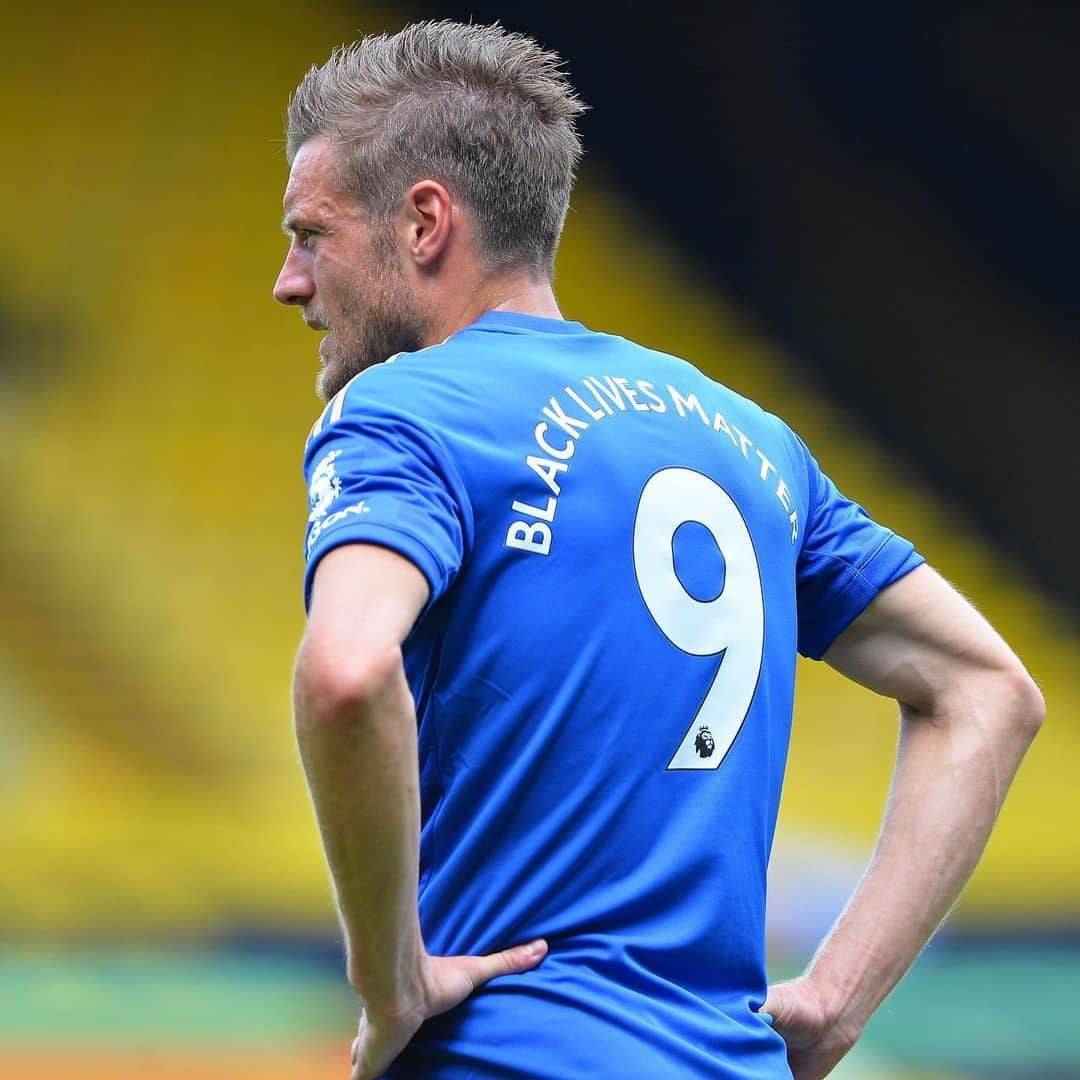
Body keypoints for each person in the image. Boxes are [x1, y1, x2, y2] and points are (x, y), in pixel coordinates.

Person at [274, 21, 1044, 1080]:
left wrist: (390, 978)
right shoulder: (750, 439)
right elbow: (990, 691)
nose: (290, 280)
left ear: (423, 224)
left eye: (312, 234)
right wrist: (833, 1000)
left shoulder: (408, 407)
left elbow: (347, 674)